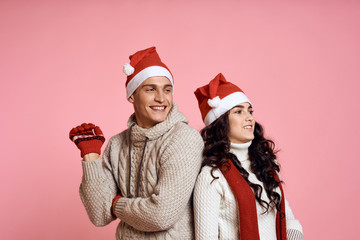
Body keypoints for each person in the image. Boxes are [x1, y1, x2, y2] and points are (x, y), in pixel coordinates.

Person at [69, 47, 203, 239]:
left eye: (167, 90)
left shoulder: (184, 138)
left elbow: (161, 215)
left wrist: (116, 205)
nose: (161, 98)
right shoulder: (116, 144)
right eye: (150, 89)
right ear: (131, 95)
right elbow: (99, 215)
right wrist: (91, 157)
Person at [193, 73, 303, 240]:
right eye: (238, 112)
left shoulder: (265, 163)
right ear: (221, 122)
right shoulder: (211, 176)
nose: (249, 118)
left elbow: (287, 216)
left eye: (249, 111)